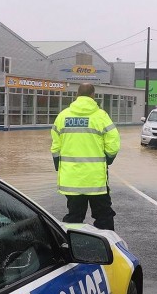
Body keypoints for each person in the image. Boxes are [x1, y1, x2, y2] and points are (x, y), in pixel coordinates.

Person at [51, 83, 120, 230]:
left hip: (72, 179)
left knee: (74, 217)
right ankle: (107, 247)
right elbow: (113, 144)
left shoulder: (63, 116)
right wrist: (107, 160)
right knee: (104, 216)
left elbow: (55, 147)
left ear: (77, 95)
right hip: (96, 180)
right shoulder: (101, 116)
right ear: (92, 96)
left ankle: (70, 247)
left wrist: (59, 165)